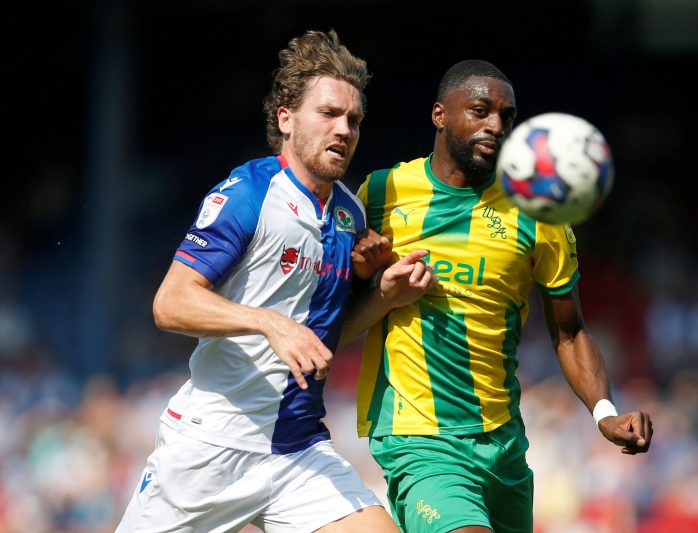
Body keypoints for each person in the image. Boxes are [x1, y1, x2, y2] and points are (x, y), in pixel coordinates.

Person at [116, 29, 425, 533]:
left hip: (298, 449)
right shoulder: (248, 193)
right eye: (328, 114)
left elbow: (318, 340)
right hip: (211, 448)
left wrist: (385, 298)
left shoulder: (348, 211)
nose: (344, 129)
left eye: (354, 119)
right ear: (286, 119)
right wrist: (267, 324)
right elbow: (169, 304)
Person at [342, 60, 654, 533]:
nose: (495, 126)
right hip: (419, 438)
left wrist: (604, 413)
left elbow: (569, 332)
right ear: (439, 115)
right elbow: (335, 310)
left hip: (503, 444)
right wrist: (365, 274)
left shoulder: (539, 212)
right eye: (480, 110)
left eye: (506, 117)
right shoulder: (381, 193)